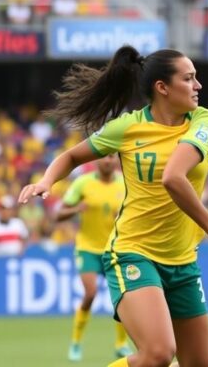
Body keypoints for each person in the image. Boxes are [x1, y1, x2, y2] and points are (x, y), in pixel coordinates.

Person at [18, 45, 208, 367]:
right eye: (189, 78)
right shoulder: (127, 128)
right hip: (133, 252)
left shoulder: (207, 122)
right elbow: (72, 156)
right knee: (158, 354)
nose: (198, 85)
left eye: (196, 78)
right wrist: (47, 181)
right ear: (162, 88)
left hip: (182, 261)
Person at [56, 154, 132, 361]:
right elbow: (58, 215)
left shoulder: (125, 183)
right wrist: (76, 209)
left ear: (116, 160)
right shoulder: (83, 183)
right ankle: (76, 342)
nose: (108, 161)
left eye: (111, 157)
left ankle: (121, 344)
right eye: (104, 157)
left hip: (115, 248)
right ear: (97, 160)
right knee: (90, 294)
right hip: (88, 248)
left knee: (123, 299)